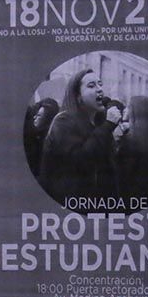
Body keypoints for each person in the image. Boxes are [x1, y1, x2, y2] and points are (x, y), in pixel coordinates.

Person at [37, 68, 118, 200]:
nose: (99, 89)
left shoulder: (99, 123)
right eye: (91, 86)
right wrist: (108, 126)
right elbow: (79, 160)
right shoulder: (63, 122)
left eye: (100, 84)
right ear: (78, 96)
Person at [24, 97, 60, 177]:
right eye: (36, 115)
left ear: (46, 120)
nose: (34, 118)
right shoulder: (34, 136)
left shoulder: (46, 144)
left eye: (39, 116)